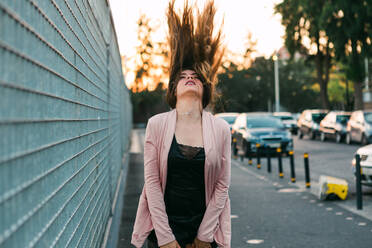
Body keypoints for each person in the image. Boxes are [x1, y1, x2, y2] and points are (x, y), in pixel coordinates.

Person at [131, 1, 231, 247]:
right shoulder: (157, 124)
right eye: (183, 77)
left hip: (205, 227)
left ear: (204, 89)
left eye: (195, 77)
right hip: (164, 226)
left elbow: (222, 186)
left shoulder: (220, 128)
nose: (189, 78)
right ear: (173, 91)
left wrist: (204, 237)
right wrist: (165, 238)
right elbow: (152, 184)